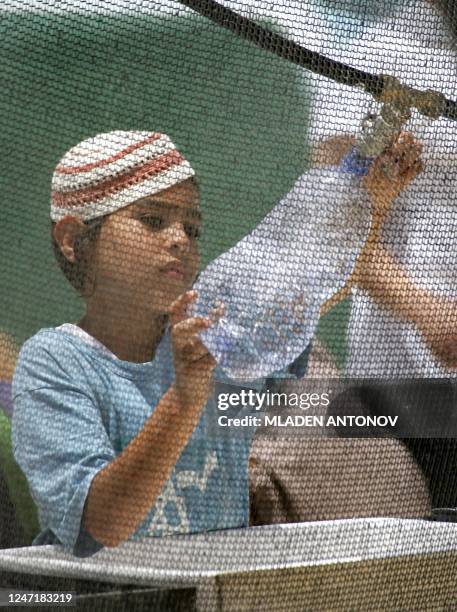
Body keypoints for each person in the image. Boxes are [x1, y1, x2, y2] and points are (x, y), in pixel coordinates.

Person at [12, 130, 422, 557]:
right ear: (73, 239)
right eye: (152, 220)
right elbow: (102, 524)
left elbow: (315, 287)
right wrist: (184, 401)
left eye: (193, 228)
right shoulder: (55, 363)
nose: (180, 239)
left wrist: (370, 204)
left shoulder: (219, 338)